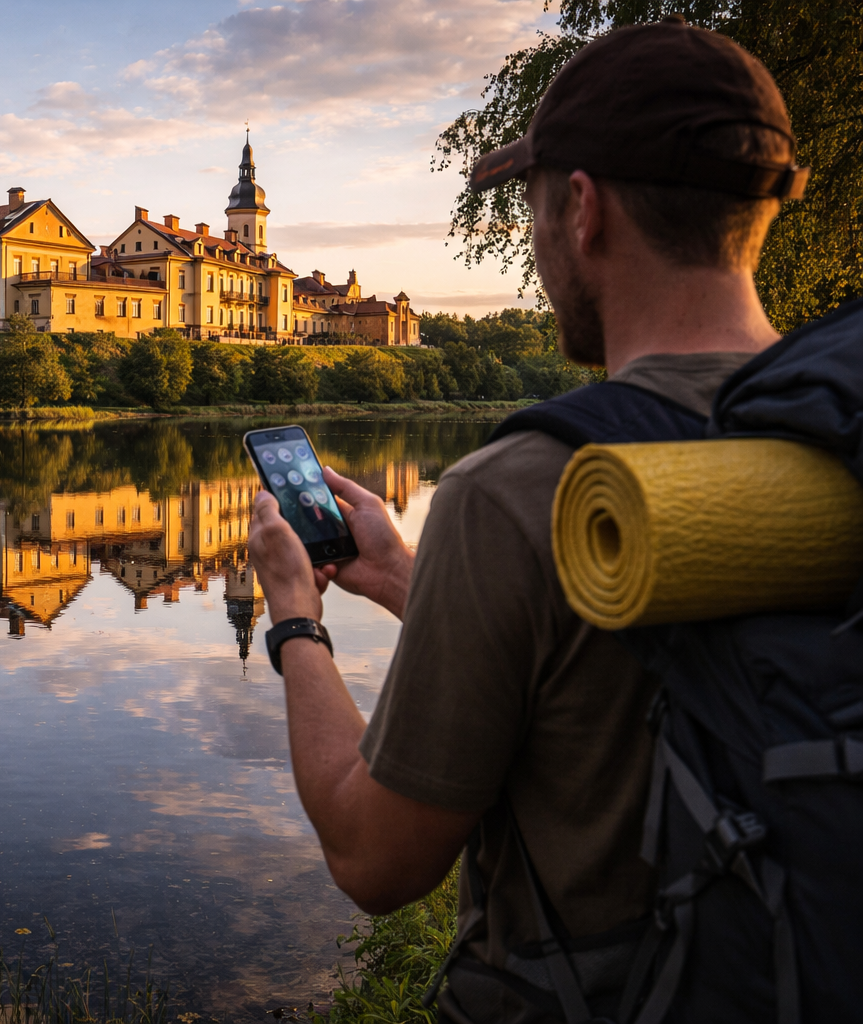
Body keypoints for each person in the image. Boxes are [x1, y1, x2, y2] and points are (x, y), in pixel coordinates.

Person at [246, 19, 809, 1023]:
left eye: (535, 207)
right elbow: (625, 664)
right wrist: (412, 580)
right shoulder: (835, 434)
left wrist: (294, 615)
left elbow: (373, 860)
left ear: (583, 210)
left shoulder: (518, 491)